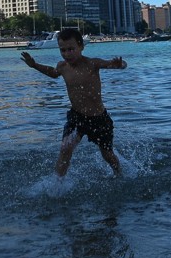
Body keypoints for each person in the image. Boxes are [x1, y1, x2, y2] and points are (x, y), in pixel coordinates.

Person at [21, 28, 127, 178]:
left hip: (99, 119)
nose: (66, 54)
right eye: (62, 50)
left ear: (81, 47)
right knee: (65, 148)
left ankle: (119, 174)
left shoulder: (93, 63)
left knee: (107, 154)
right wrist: (34, 65)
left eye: (71, 49)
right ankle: (57, 184)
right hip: (77, 117)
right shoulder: (62, 67)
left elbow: (119, 65)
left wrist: (119, 65)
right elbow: (53, 73)